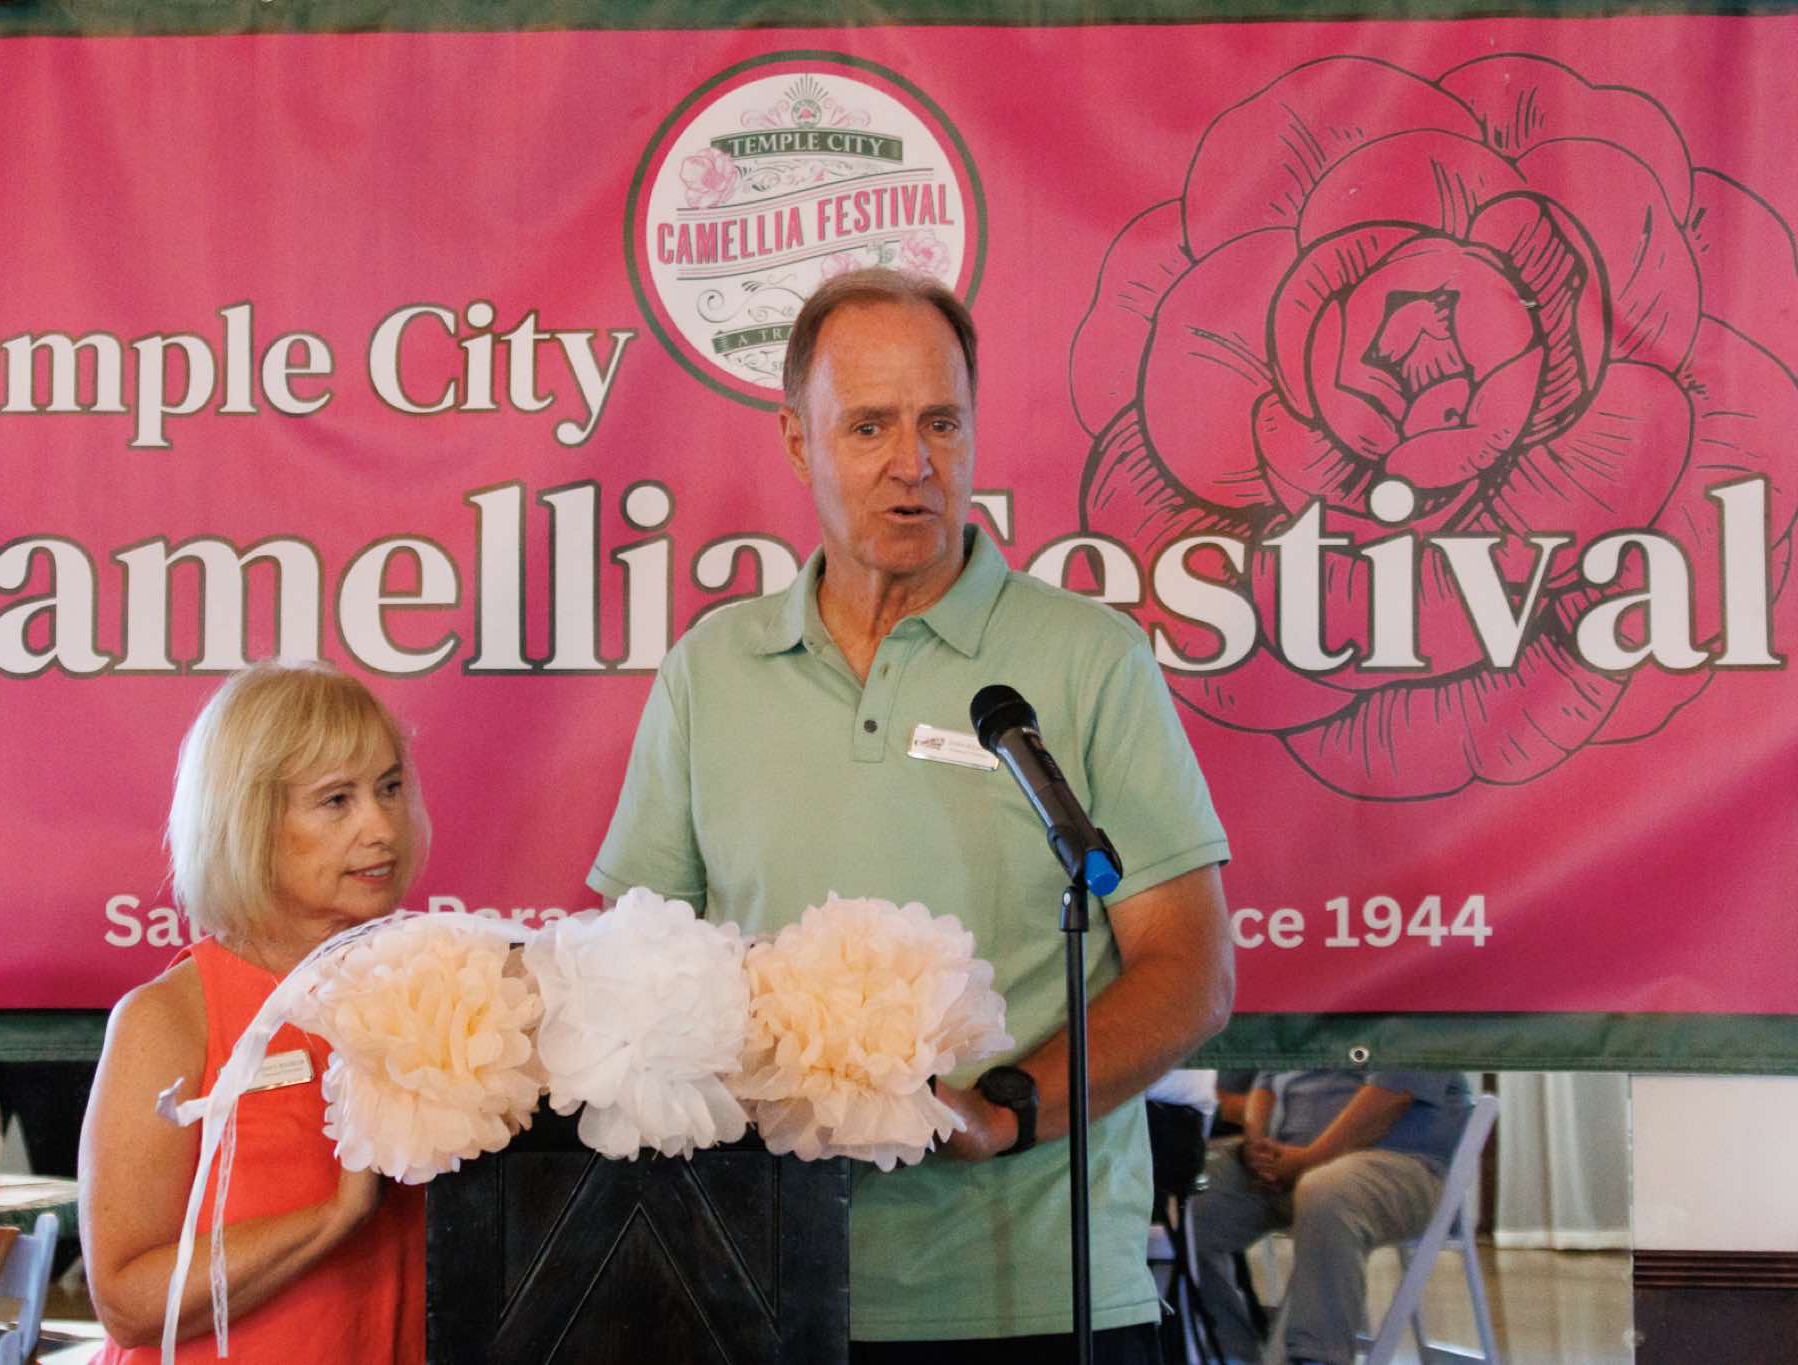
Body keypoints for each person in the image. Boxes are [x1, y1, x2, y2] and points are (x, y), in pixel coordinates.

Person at [588, 268, 1234, 1363]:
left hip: (1035, 1297)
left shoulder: (1088, 661)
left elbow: (1190, 971)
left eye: (941, 421)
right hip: (761, 1286)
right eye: (869, 426)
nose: (912, 463)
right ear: (797, 442)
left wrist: (1005, 1111)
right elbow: (631, 962)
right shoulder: (711, 669)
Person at [78, 661, 431, 1362]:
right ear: (249, 821)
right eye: (337, 800)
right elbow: (125, 1302)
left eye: (389, 788)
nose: (381, 826)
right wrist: (333, 1218)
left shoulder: (430, 989)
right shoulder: (168, 1019)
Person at [1189, 1071, 1474, 1365]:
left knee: (1325, 1190)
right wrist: (1256, 1144)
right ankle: (1224, 1352)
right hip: (1285, 1158)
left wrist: (1309, 1159)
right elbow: (1266, 1081)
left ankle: (1312, 1356)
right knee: (1185, 1191)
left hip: (1397, 1162)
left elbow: (1393, 1093)